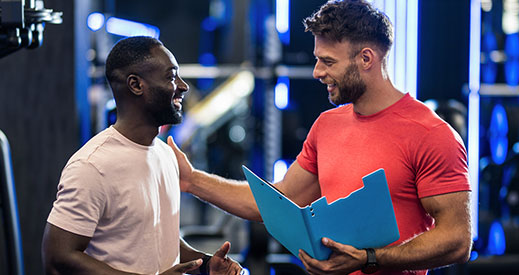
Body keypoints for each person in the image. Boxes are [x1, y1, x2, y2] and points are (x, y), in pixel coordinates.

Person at [166, 1, 471, 274]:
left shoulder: (431, 134)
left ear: (366, 59)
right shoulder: (327, 125)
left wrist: (370, 258)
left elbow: (458, 240)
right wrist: (191, 180)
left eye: (327, 61)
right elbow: (277, 202)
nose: (316, 72)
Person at [42, 36, 243, 275]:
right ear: (136, 85)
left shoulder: (165, 155)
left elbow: (156, 239)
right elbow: (57, 257)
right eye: (171, 77)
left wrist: (206, 264)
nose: (183, 85)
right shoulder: (92, 166)